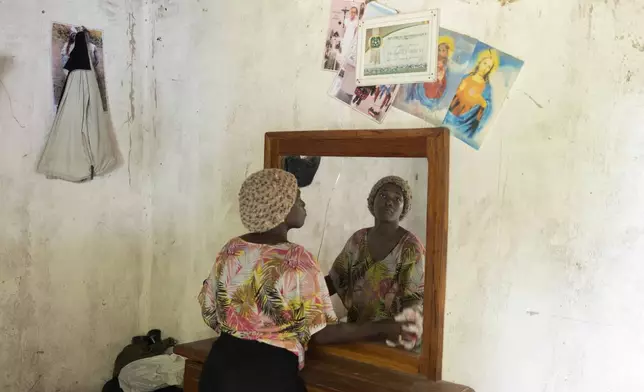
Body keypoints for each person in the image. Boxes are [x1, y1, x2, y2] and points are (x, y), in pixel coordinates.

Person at [198, 169, 412, 392]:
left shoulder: (232, 249)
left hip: (218, 370)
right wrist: (382, 328)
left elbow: (210, 310)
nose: (304, 205)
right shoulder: (298, 259)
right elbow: (320, 333)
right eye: (298, 199)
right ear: (280, 207)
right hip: (268, 378)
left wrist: (246, 328)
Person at [325, 176, 425, 328]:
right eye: (383, 195)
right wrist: (303, 294)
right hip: (356, 330)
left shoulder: (411, 247)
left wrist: (394, 329)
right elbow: (335, 279)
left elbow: (414, 301)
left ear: (404, 208)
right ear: (372, 200)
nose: (389, 202)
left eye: (397, 198)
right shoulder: (358, 239)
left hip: (392, 335)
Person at [444, 48, 496, 139]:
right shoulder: (466, 77)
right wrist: (458, 89)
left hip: (466, 123)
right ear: (479, 63)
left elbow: (488, 106)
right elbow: (452, 93)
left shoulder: (487, 87)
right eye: (485, 64)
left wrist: (482, 101)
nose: (485, 68)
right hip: (451, 114)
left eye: (489, 67)